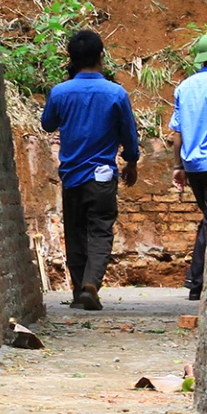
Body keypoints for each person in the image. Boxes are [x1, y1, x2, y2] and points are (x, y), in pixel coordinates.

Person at [40, 29, 139, 311]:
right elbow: (128, 134)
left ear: (71, 58)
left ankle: (77, 290)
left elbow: (47, 124)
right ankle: (91, 284)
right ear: (100, 57)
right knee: (100, 231)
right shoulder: (116, 93)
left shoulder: (60, 92)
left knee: (75, 233)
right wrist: (131, 161)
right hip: (103, 177)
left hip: (71, 177)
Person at [170, 29, 207, 301]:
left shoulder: (183, 87)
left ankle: (200, 279)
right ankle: (196, 280)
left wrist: (178, 166)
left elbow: (177, 133)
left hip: (193, 166)